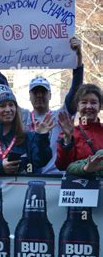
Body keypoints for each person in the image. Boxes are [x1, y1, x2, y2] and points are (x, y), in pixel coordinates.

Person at [20, 37, 84, 174]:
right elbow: (2, 99)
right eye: (35, 92)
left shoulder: (61, 115)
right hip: (28, 178)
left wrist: (78, 57)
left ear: (50, 95)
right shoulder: (22, 116)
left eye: (43, 92)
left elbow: (75, 89)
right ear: (29, 96)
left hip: (56, 178)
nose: (39, 95)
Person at [0, 84, 53, 175]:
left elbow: (40, 161)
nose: (8, 109)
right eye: (2, 106)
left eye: (11, 105)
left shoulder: (27, 136)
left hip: (20, 188)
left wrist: (42, 137)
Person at [56, 84, 103, 171]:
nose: (89, 107)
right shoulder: (69, 133)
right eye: (84, 102)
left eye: (93, 102)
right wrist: (67, 140)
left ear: (100, 106)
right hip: (78, 183)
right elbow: (63, 166)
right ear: (77, 107)